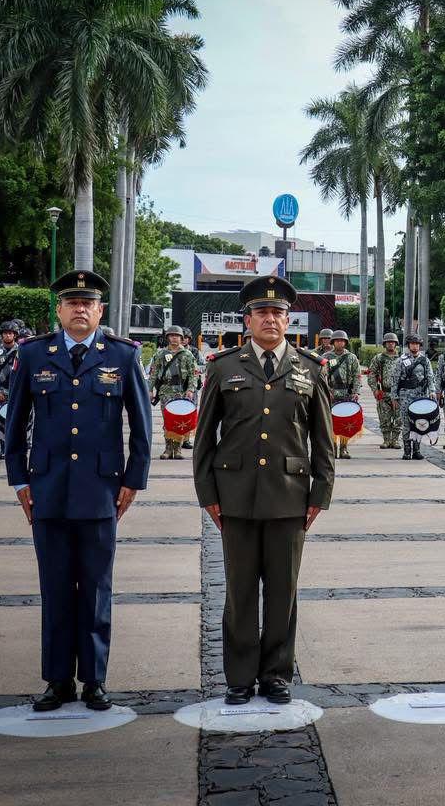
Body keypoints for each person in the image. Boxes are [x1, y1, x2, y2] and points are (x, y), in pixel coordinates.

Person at [3, 270, 151, 712]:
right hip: (46, 490)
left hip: (101, 491)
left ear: (100, 310)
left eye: (88, 303)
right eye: (72, 303)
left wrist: (132, 481)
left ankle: (94, 679)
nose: (80, 309)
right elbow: (15, 427)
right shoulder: (32, 355)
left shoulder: (122, 357)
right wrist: (19, 480)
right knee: (55, 588)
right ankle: (57, 680)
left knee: (96, 588)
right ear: (60, 310)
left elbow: (142, 427)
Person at [193, 274, 334, 706]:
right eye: (261, 312)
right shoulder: (223, 367)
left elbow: (323, 440)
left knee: (282, 591)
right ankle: (238, 677)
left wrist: (319, 496)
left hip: (290, 497)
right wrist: (208, 495)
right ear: (247, 319)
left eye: (277, 312)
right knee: (238, 591)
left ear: (288, 320)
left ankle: (276, 674)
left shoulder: (309, 369)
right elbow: (204, 439)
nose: (270, 319)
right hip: (234, 495)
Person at [148, 325, 198, 460]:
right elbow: (153, 373)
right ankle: (168, 449)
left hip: (181, 392)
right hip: (165, 391)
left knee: (180, 421)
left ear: (182, 338)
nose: (174, 338)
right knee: (168, 422)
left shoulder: (187, 355)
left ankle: (178, 449)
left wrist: (190, 390)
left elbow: (194, 374)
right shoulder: (160, 354)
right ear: (167, 337)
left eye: (177, 336)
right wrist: (150, 390)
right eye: (171, 335)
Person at [395, 334, 436, 460]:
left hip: (420, 396)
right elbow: (395, 380)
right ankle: (407, 451)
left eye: (417, 344)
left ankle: (417, 450)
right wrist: (394, 396)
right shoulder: (401, 360)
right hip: (405, 396)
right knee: (407, 424)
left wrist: (432, 391)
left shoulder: (425, 360)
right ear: (408, 345)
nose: (415, 346)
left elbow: (430, 377)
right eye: (412, 344)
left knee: (418, 423)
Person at [326, 330, 362, 459]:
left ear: (345, 342)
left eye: (342, 340)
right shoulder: (327, 357)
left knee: (346, 422)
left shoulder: (351, 357)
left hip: (347, 394)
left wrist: (356, 392)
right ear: (333, 342)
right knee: (332, 422)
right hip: (331, 394)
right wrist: (326, 390)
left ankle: (344, 449)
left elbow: (357, 376)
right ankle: (333, 448)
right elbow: (322, 376)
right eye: (337, 340)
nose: (340, 342)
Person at [0, 321, 21, 455]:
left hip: (17, 393)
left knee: (19, 421)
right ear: (1, 336)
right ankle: (3, 448)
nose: (7, 336)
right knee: (1, 422)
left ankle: (17, 447)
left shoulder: (22, 352)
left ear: (15, 335)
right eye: (5, 333)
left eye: (10, 333)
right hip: (1, 393)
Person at [367, 333, 402, 449]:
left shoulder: (402, 359)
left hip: (398, 394)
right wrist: (375, 389)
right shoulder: (379, 358)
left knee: (398, 418)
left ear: (396, 344)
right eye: (388, 342)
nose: (391, 344)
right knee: (384, 418)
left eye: (393, 342)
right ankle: (386, 440)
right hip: (384, 392)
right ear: (385, 344)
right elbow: (372, 374)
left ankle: (395, 440)